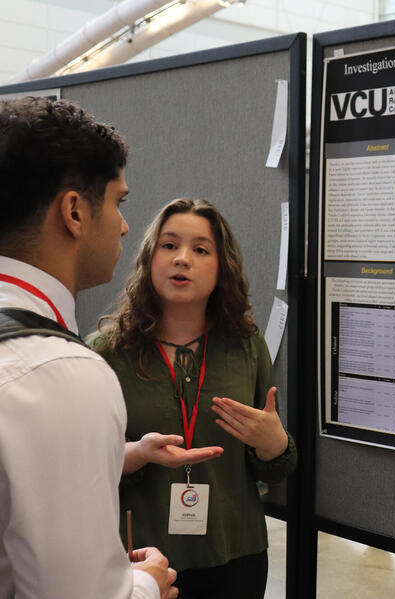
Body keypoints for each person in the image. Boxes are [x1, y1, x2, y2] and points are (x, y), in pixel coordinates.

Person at [0, 97, 177, 599]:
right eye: (119, 202)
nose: (124, 226)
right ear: (75, 211)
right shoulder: (60, 371)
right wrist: (144, 583)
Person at [89, 197, 297, 599]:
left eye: (200, 250)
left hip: (237, 551)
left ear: (222, 269)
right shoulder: (105, 352)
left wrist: (275, 445)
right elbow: (81, 467)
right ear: (150, 258)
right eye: (169, 246)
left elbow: (272, 468)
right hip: (141, 560)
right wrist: (138, 452)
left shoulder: (247, 345)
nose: (182, 259)